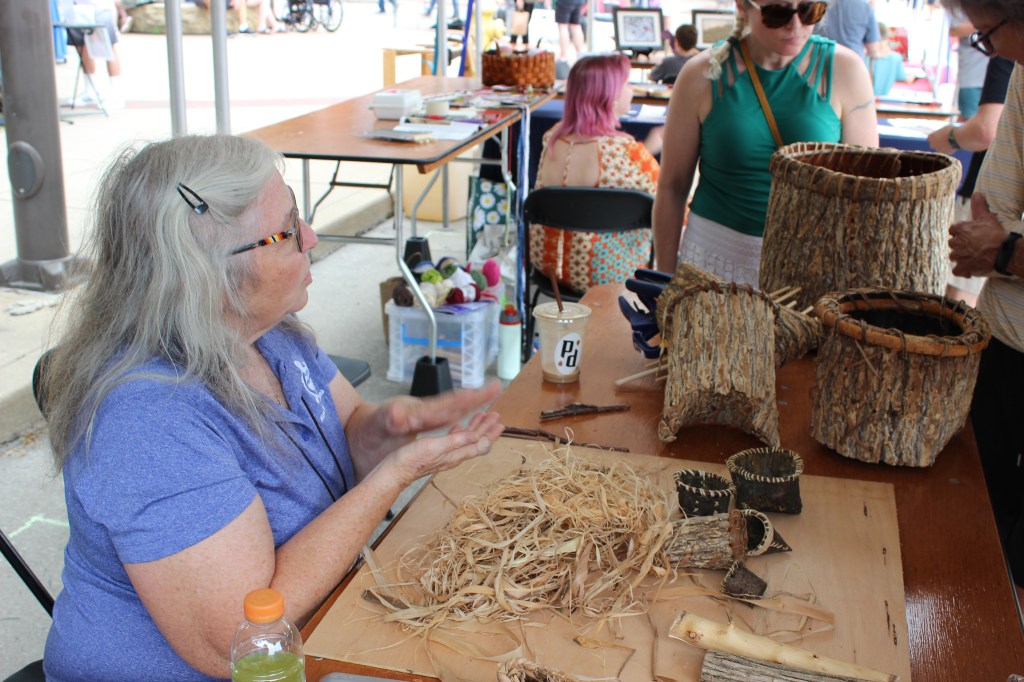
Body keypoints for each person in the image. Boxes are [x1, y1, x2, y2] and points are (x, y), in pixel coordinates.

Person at [41, 135, 505, 680]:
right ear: (208, 275)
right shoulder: (147, 421)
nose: (310, 236)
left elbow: (345, 434)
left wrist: (388, 429)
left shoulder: (270, 334)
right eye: (287, 230)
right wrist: (395, 475)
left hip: (324, 626)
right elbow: (242, 640)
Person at [653, 0, 878, 284]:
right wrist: (663, 276)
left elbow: (865, 192)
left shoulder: (846, 70)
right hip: (714, 257)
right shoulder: (702, 74)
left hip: (811, 265)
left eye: (810, 11)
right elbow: (672, 187)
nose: (795, 25)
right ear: (743, 8)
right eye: (777, 13)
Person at [944, 0, 1024, 594]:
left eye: (988, 34)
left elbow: (999, 239)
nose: (990, 51)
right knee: (978, 530)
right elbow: (991, 213)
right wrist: (996, 245)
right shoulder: (1022, 69)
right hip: (1004, 343)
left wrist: (1004, 252)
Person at [531, 54, 659, 293]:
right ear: (609, 97)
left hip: (549, 270)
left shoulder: (552, 138)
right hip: (610, 276)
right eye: (627, 84)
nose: (631, 90)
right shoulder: (625, 152)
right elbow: (672, 207)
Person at [928, 54, 1013, 305]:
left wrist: (951, 137)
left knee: (960, 298)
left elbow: (986, 129)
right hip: (999, 203)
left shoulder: (1008, 58)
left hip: (990, 200)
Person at [65, 0, 125, 109]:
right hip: (75, 6)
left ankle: (116, 94)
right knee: (81, 44)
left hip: (101, 6)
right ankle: (90, 90)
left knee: (108, 45)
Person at [947, 6, 989, 118]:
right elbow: (954, 29)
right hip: (972, 75)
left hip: (998, 74)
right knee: (969, 119)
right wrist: (987, 23)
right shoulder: (964, 5)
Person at [814, 0, 880, 59]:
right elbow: (873, 49)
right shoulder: (865, 6)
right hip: (853, 63)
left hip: (820, 61)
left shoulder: (818, 4)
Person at [868, 22, 915, 96]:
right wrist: (913, 75)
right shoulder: (895, 58)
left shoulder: (864, 57)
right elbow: (906, 79)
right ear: (887, 38)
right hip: (882, 101)